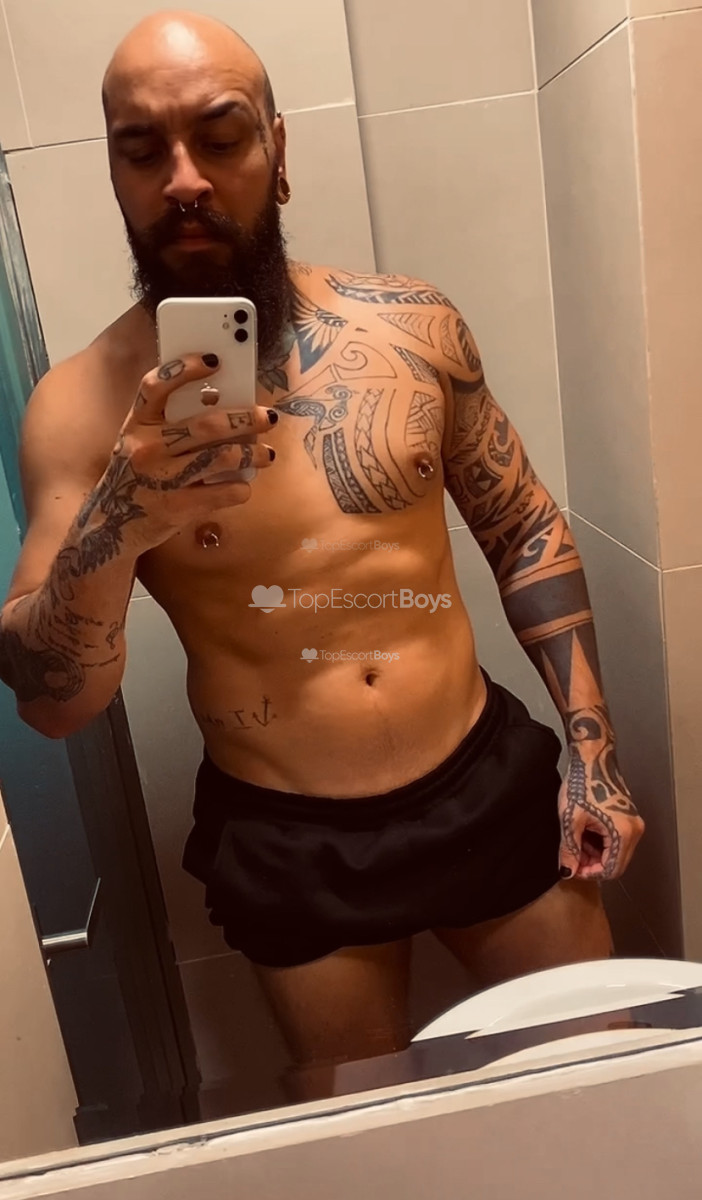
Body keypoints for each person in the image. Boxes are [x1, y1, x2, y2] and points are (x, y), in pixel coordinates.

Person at [0, 10, 644, 1085]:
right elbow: (52, 703)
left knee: (598, 1081)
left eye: (221, 135)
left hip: (479, 778)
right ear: (114, 173)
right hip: (286, 834)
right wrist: (120, 518)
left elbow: (522, 522)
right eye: (142, 149)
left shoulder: (412, 327)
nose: (185, 178)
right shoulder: (78, 412)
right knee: (364, 1126)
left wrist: (594, 749)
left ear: (278, 149)